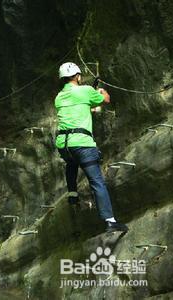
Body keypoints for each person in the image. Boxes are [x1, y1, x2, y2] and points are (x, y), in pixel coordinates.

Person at [55, 62, 128, 233]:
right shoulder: (86, 91)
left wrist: (91, 105)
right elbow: (106, 100)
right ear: (77, 76)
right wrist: (100, 91)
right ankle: (110, 221)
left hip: (64, 145)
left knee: (71, 162)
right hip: (82, 143)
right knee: (97, 181)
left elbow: (81, 109)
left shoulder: (59, 97)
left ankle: (73, 194)